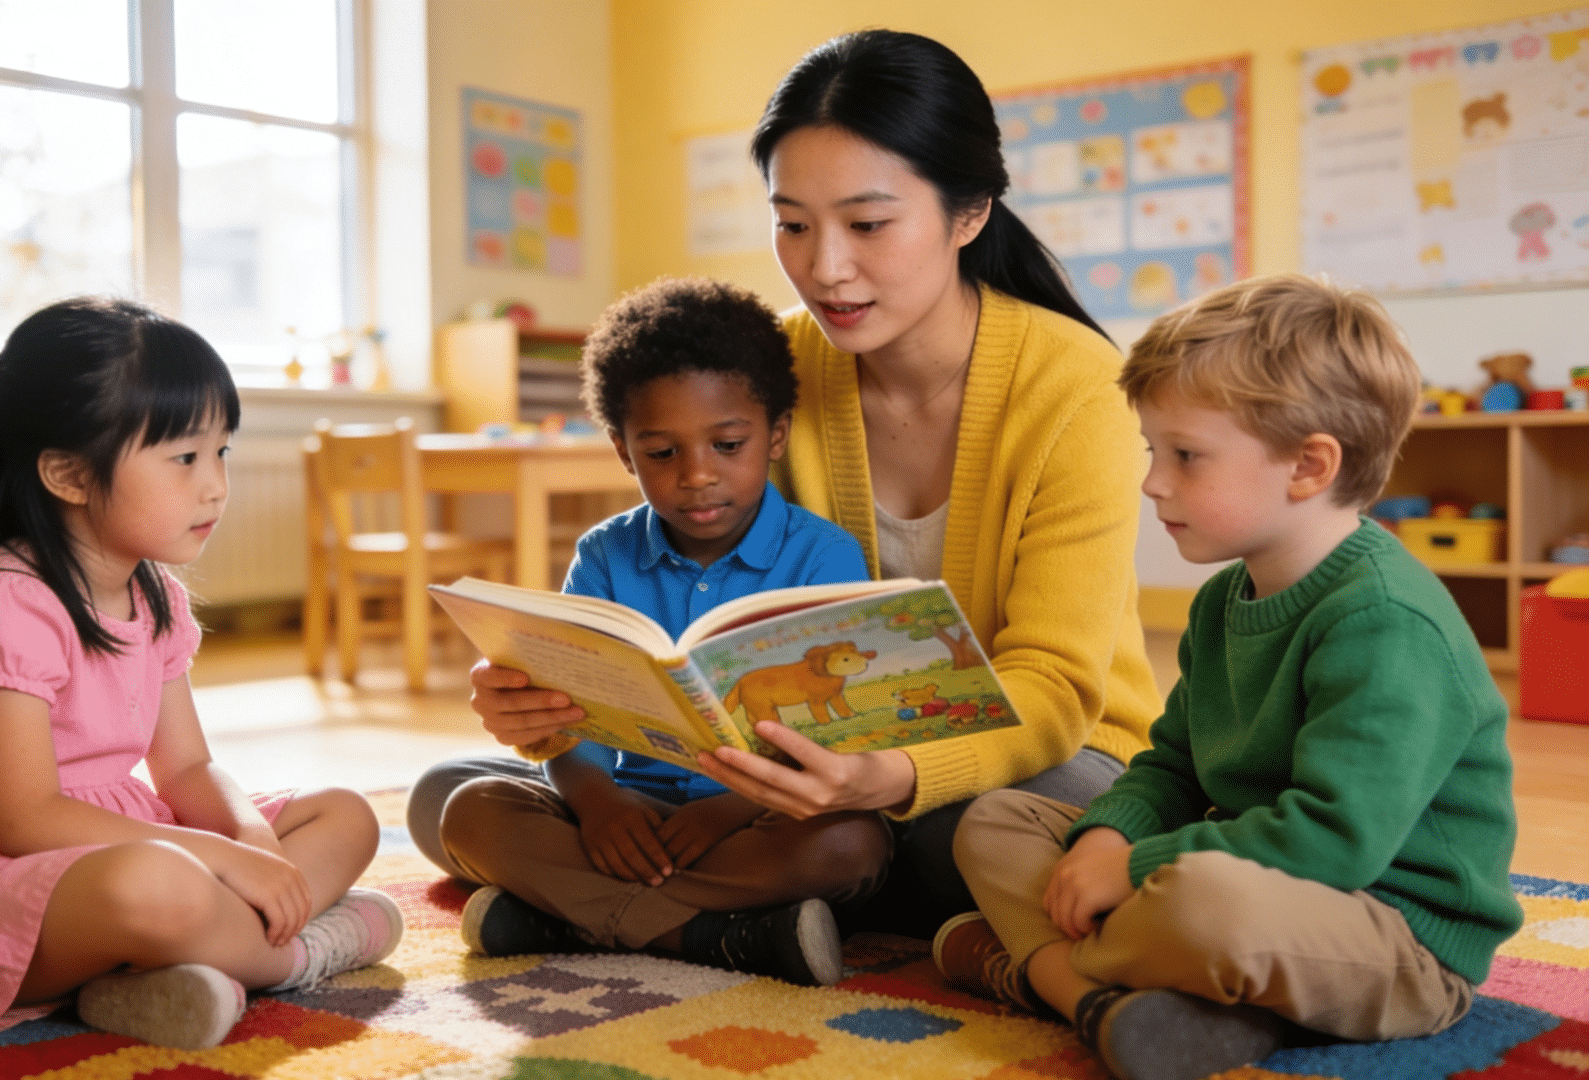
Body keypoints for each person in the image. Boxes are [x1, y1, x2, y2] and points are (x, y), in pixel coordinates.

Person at [416, 29, 1160, 935]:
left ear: (969, 214)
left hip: (1030, 754)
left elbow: (1050, 686)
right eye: (793, 223)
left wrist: (889, 776)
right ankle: (735, 912)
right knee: (443, 795)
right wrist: (541, 703)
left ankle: (598, 908)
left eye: (868, 224)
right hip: (776, 763)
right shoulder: (770, 368)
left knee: (956, 835)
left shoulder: (1076, 386)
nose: (823, 267)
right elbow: (683, 575)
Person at [935, 275, 1522, 1080]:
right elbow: (1174, 765)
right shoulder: (1223, 601)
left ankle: (1042, 974)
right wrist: (1113, 835)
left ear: (1309, 466)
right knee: (997, 821)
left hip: (1393, 937)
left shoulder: (1386, 621)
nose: (1153, 483)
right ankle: (1115, 1002)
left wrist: (1133, 871)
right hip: (1252, 880)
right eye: (1153, 451)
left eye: (1186, 456)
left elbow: (1334, 842)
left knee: (1204, 902)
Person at [0, 298, 402, 1050]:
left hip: (109, 845)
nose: (216, 486)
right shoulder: (2, 601)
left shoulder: (153, 591)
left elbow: (188, 766)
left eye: (221, 452)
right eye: (185, 458)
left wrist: (246, 836)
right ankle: (296, 953)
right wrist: (220, 862)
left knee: (344, 813)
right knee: (155, 885)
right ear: (68, 473)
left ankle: (182, 967)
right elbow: (25, 819)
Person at [437, 277, 890, 986]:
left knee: (850, 845)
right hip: (630, 814)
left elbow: (836, 733)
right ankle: (711, 935)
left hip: (764, 816)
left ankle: (566, 923)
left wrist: (726, 812)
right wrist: (598, 804)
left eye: (727, 443)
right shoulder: (603, 554)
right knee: (471, 812)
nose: (698, 475)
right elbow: (564, 717)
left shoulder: (824, 555)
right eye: (662, 453)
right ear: (623, 451)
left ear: (775, 434)